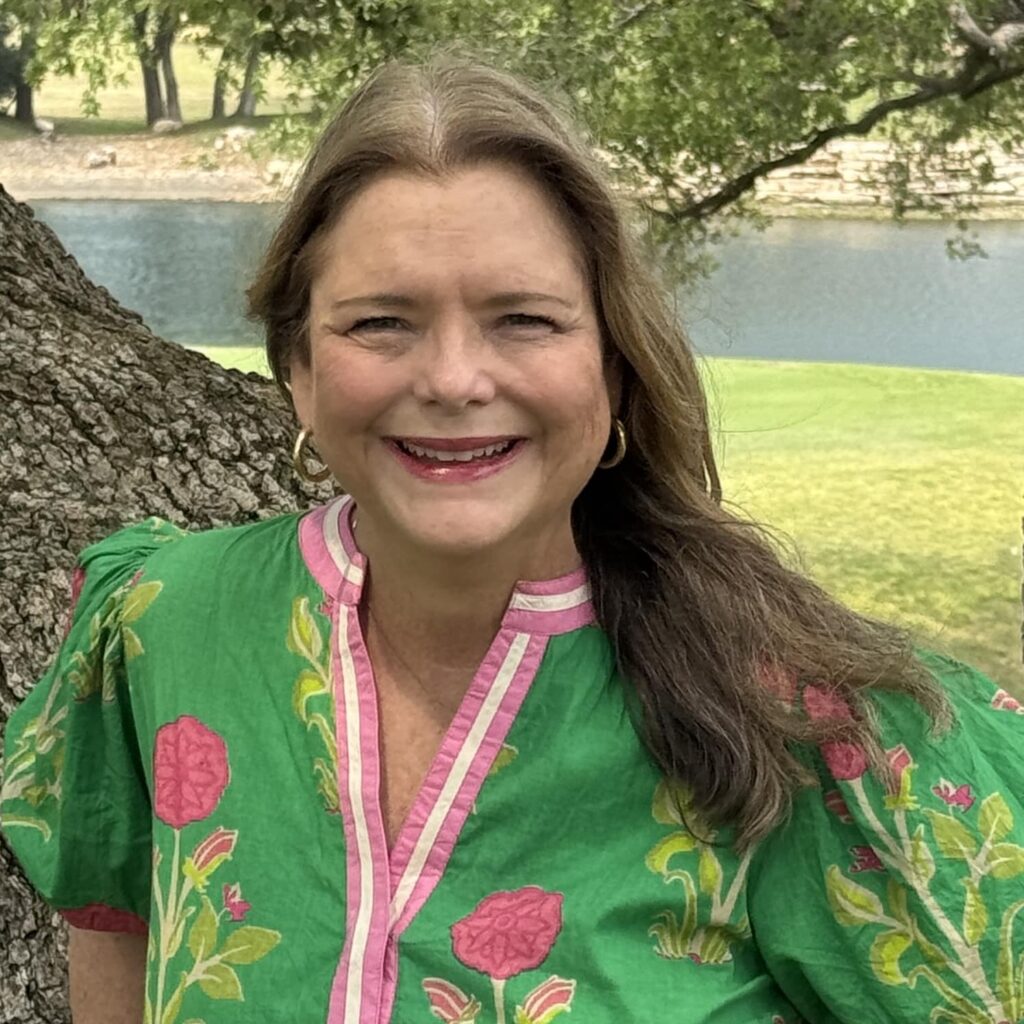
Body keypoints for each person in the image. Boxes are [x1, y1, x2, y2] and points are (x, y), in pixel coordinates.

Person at [2, 54, 1023, 1024]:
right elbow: (116, 916)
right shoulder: (161, 627)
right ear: (299, 370)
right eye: (379, 323)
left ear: (613, 368)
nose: (452, 379)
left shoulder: (813, 725)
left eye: (523, 319)